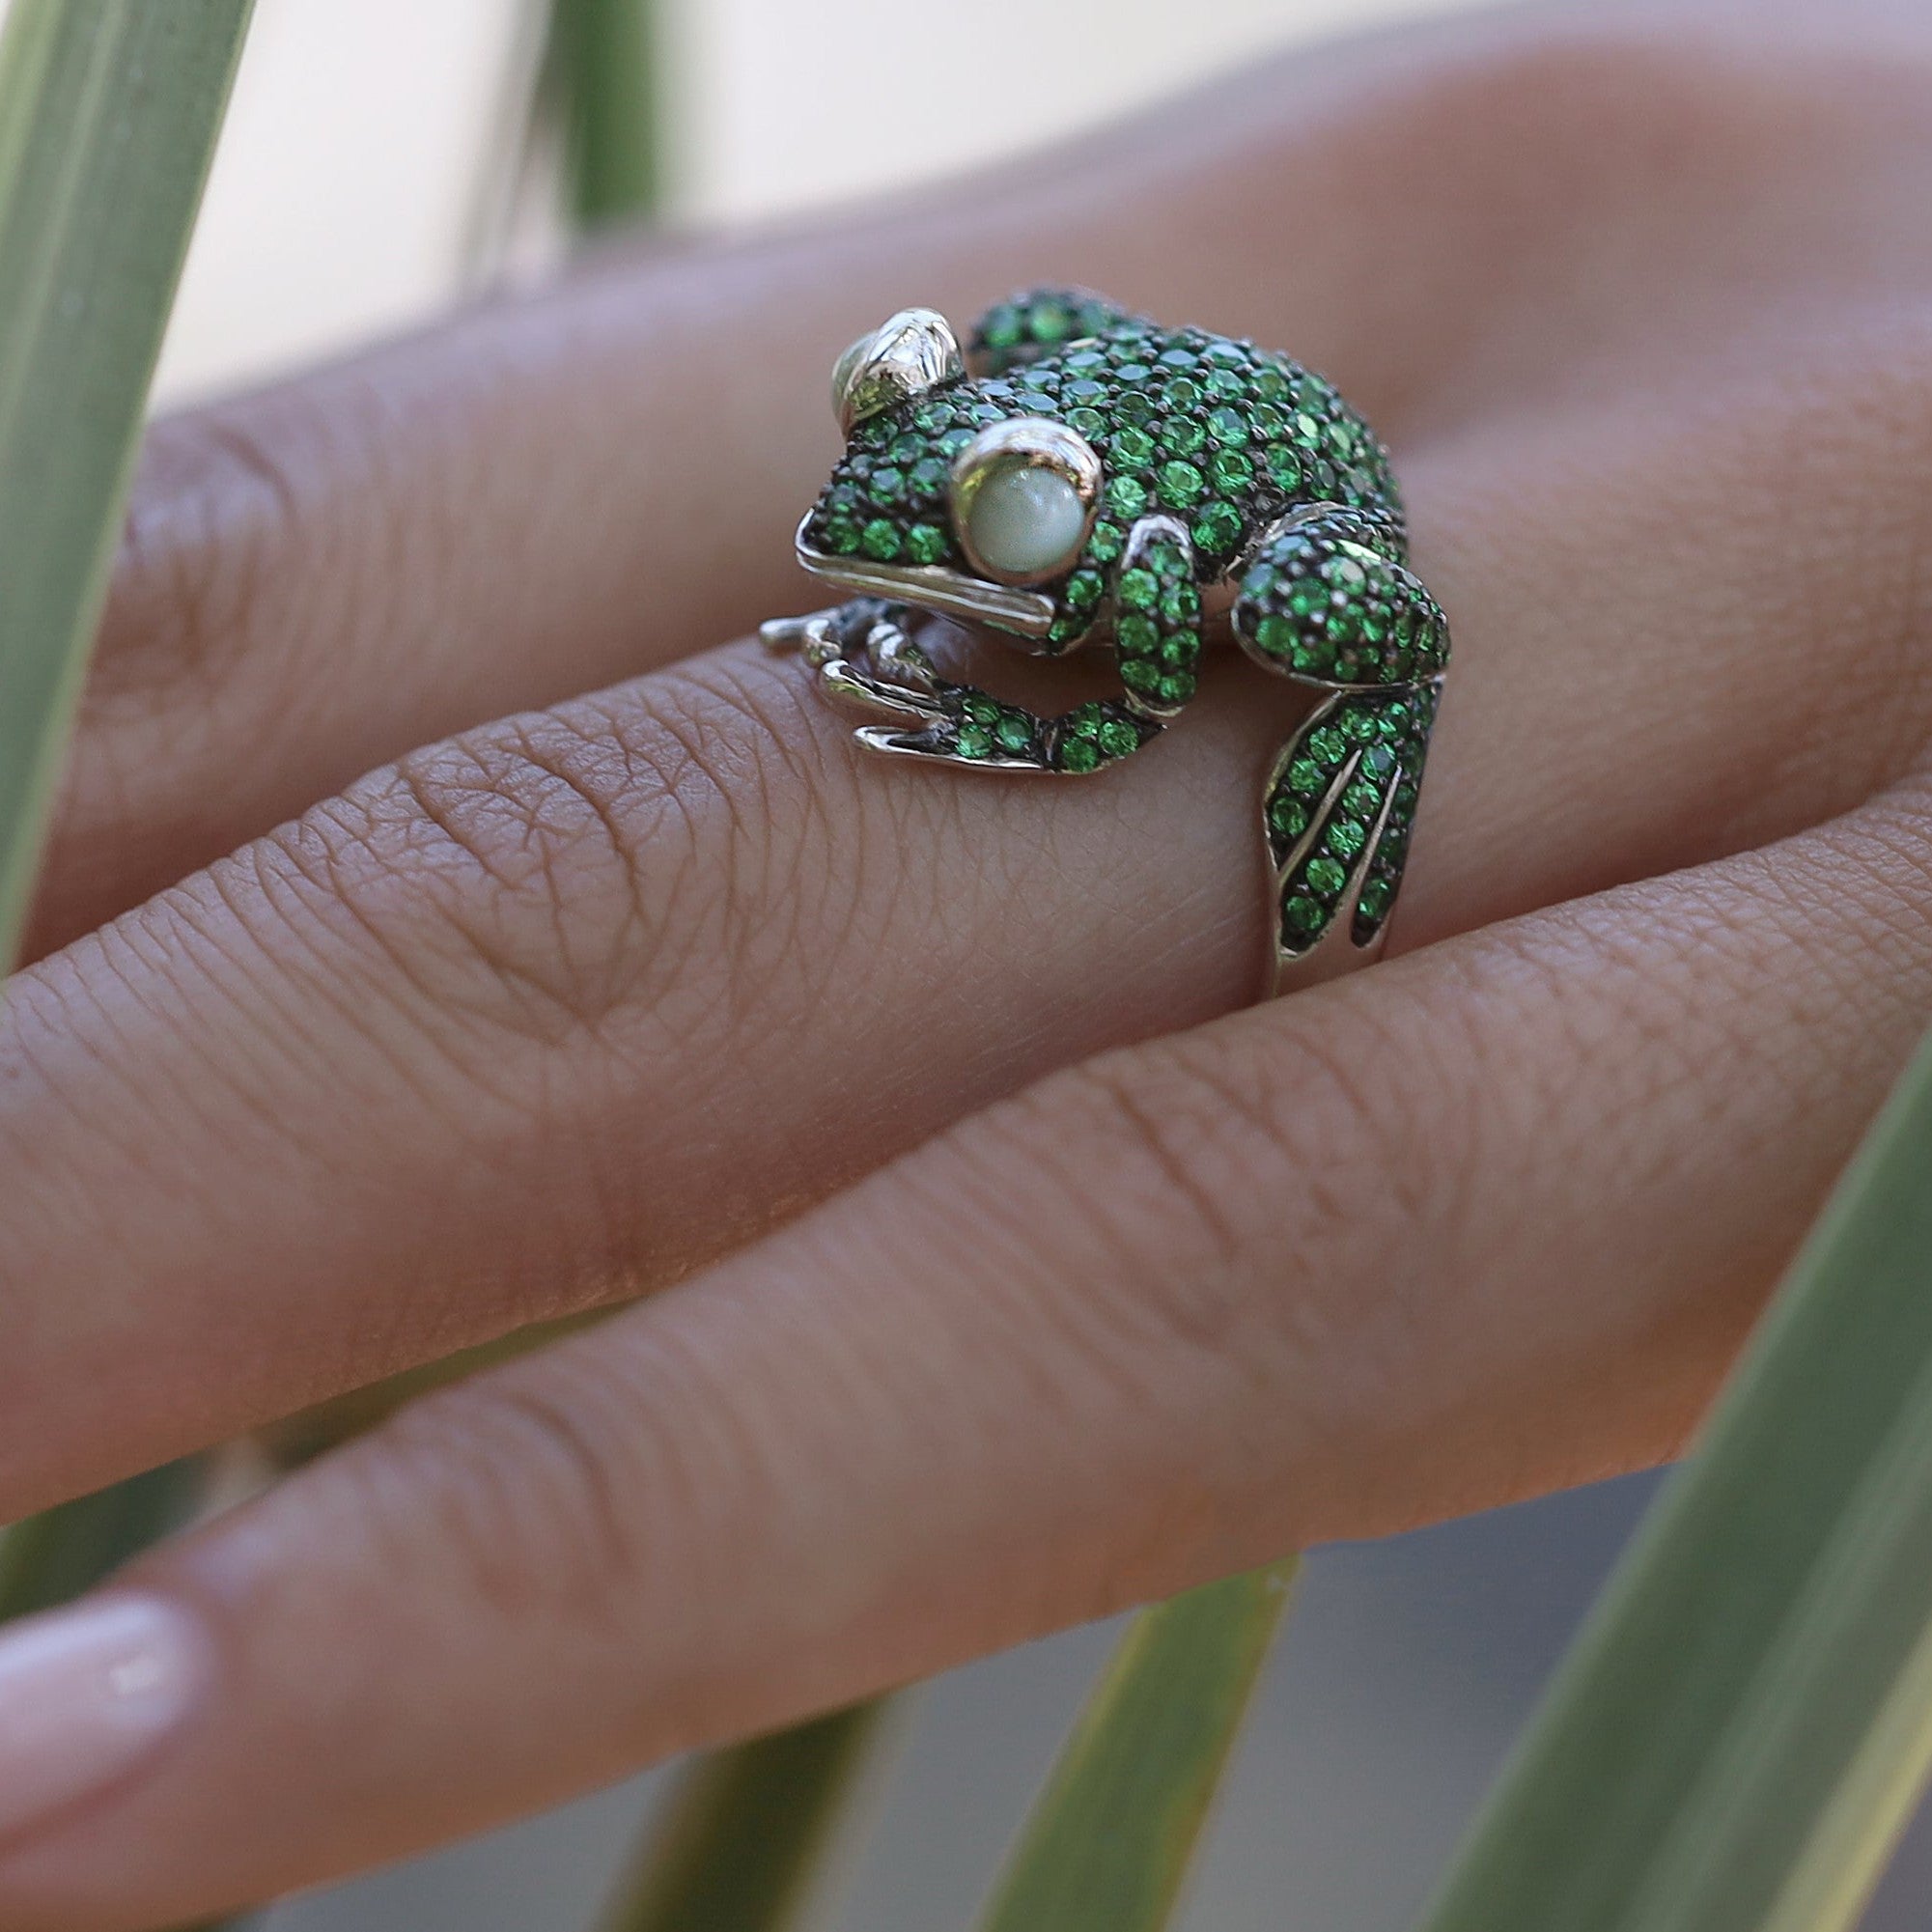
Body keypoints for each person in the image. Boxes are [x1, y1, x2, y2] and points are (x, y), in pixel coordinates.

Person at [1, 0, 1929, 1920]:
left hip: (1267, 497)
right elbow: (1026, 347)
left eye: (989, 509)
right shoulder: (1002, 431)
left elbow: (1129, 698)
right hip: (1122, 404)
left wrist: (1024, 723)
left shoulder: (1153, 564)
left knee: (1291, 618)